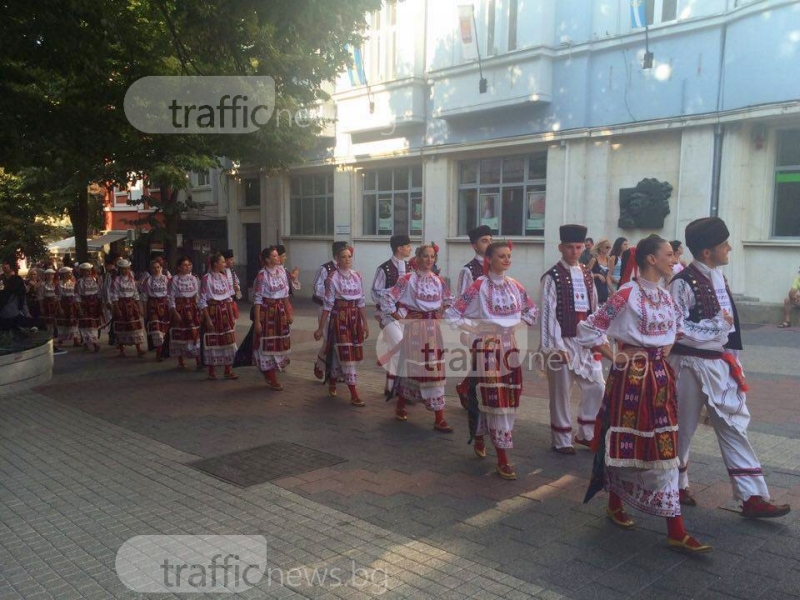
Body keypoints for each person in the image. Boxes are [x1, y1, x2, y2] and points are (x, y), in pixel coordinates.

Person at [577, 234, 712, 553]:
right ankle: (651, 518)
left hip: (661, 377)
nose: (674, 259)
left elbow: (678, 330)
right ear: (651, 259)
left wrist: (660, 352)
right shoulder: (626, 294)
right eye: (669, 254)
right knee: (630, 441)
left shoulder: (666, 296)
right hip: (631, 378)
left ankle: (671, 526)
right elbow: (589, 329)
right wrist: (616, 356)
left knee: (664, 446)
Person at [669, 217, 790, 519]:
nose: (730, 248)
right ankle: (675, 484)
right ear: (708, 251)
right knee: (682, 429)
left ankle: (752, 496)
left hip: (719, 365)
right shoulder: (681, 282)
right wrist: (715, 330)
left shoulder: (720, 278)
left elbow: (729, 327)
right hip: (688, 366)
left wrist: (733, 359)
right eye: (725, 244)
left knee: (734, 426)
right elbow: (677, 328)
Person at [446, 241, 538, 480]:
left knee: (509, 397)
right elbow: (453, 313)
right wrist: (475, 330)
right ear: (489, 259)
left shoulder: (514, 285)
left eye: (509, 256)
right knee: (495, 398)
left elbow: (532, 312)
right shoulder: (479, 286)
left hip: (510, 347)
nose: (507, 260)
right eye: (501, 256)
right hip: (488, 347)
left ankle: (480, 434)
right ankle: (503, 457)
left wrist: (516, 326)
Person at [540, 224, 606, 455]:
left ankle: (586, 432)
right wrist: (554, 346)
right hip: (562, 341)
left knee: (597, 386)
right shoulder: (552, 277)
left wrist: (599, 339)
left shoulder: (588, 275)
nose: (574, 251)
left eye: (578, 247)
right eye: (569, 247)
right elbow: (548, 313)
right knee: (560, 392)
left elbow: (595, 309)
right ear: (561, 247)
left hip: (585, 343)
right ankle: (561, 438)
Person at [381, 243, 454, 431]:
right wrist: (399, 316)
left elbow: (449, 301)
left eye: (432, 257)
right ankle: (401, 404)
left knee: (434, 369)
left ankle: (439, 417)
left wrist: (440, 314)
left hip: (432, 330)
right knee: (412, 367)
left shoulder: (438, 281)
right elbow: (388, 298)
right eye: (425, 256)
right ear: (417, 258)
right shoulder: (407, 280)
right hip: (414, 330)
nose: (429, 260)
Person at [313, 245, 370, 406]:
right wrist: (320, 327)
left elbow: (361, 302)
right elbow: (328, 305)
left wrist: (365, 324)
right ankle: (353, 393)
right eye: (343, 257)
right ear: (337, 259)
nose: (347, 260)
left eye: (349, 256)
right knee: (346, 353)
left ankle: (332, 379)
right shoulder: (333, 278)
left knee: (345, 353)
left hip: (354, 318)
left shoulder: (357, 276)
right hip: (340, 318)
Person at [455, 225, 493, 408]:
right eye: (484, 241)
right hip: (475, 324)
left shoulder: (495, 266)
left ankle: (466, 388)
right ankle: (469, 392)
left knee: (485, 362)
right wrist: (465, 329)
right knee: (481, 362)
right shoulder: (468, 270)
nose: (489, 244)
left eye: (490, 240)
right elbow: (462, 302)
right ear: (474, 246)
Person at [371, 234, 412, 399]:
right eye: (408, 246)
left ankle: (393, 387)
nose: (410, 249)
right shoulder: (384, 268)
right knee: (400, 348)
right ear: (399, 248)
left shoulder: (411, 268)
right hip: (389, 315)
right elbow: (375, 292)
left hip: (407, 315)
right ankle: (400, 389)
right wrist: (395, 291)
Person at [252, 246, 293, 391]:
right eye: (275, 256)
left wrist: (288, 312)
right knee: (267, 343)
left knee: (279, 341)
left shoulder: (281, 270)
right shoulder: (262, 276)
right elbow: (257, 299)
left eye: (278, 256)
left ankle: (271, 372)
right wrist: (257, 321)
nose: (278, 258)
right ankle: (270, 375)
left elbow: (285, 294)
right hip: (266, 311)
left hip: (279, 309)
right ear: (268, 259)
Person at [199, 253, 239, 380]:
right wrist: (208, 319)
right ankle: (211, 371)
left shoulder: (224, 277)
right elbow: (202, 300)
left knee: (228, 339)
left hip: (224, 311)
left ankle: (228, 369)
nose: (225, 264)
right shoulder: (206, 278)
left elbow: (228, 298)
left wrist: (231, 315)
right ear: (215, 264)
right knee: (213, 340)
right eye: (222, 262)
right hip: (212, 310)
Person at [168, 256, 202, 370]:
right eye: (184, 265)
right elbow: (171, 297)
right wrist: (174, 312)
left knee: (195, 332)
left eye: (189, 265)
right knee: (180, 334)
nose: (187, 267)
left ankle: (198, 360)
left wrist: (200, 308)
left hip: (192, 308)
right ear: (179, 267)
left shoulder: (194, 279)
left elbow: (197, 295)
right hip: (180, 308)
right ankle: (181, 361)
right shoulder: (174, 280)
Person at [109, 259, 147, 357]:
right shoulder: (116, 280)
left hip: (131, 304)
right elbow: (114, 295)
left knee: (135, 326)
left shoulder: (132, 280)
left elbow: (136, 294)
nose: (125, 271)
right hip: (122, 304)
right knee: (121, 327)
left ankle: (138, 348)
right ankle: (122, 350)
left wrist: (139, 307)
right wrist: (117, 308)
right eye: (123, 269)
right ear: (120, 269)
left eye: (127, 269)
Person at [141, 259, 171, 361]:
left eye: (158, 267)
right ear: (150, 269)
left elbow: (170, 293)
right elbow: (144, 296)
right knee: (156, 330)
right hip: (153, 305)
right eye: (154, 267)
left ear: (161, 267)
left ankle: (164, 351)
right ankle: (158, 352)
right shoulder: (148, 280)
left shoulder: (167, 279)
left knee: (165, 329)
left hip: (165, 304)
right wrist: (144, 310)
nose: (156, 269)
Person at [75, 263, 102, 352]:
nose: (88, 272)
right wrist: (79, 308)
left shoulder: (95, 279)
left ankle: (88, 342)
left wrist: (100, 304)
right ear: (82, 272)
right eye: (86, 271)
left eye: (89, 270)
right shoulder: (80, 282)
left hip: (94, 304)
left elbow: (99, 292)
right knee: (87, 324)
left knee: (93, 325)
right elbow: (77, 295)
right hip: (85, 304)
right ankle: (93, 344)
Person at [312, 241, 348, 307]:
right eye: (344, 255)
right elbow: (317, 288)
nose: (347, 258)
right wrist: (333, 292)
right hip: (327, 307)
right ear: (337, 254)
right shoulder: (325, 269)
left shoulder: (346, 269)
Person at [55, 266, 80, 347]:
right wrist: (59, 307)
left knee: (73, 322)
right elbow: (58, 297)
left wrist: (77, 304)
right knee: (63, 322)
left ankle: (75, 339)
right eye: (68, 273)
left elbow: (76, 294)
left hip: (72, 304)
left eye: (70, 273)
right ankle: (61, 339)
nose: (70, 274)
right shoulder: (59, 284)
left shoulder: (73, 282)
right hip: (64, 304)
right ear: (64, 274)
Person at [586, 238, 613, 304]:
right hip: (594, 288)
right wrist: (597, 275)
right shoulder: (594, 260)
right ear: (600, 248)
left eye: (610, 247)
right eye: (607, 247)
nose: (609, 249)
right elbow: (586, 274)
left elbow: (608, 277)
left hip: (603, 289)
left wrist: (613, 291)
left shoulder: (608, 260)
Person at [101, 253, 119, 346]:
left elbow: (106, 289)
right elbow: (106, 288)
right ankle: (113, 336)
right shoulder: (110, 274)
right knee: (112, 318)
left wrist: (107, 300)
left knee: (114, 318)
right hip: (112, 300)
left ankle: (114, 336)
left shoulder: (111, 274)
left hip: (114, 299)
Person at [222, 249, 242, 319]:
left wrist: (238, 289)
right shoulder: (220, 273)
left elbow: (237, 286)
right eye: (230, 260)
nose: (232, 262)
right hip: (223, 303)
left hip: (232, 301)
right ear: (225, 261)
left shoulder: (232, 271)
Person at [38, 268, 58, 338]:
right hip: (46, 303)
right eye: (48, 275)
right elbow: (40, 296)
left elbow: (57, 295)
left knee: (55, 318)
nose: (50, 276)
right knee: (48, 319)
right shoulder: (43, 285)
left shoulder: (55, 284)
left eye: (51, 275)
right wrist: (41, 307)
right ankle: (49, 333)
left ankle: (56, 330)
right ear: (45, 276)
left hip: (55, 302)